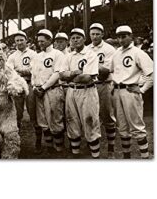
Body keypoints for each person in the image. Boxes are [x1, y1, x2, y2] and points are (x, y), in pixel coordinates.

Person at [111, 25, 153, 159]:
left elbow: (151, 74)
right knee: (122, 128)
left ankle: (145, 157)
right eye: (119, 37)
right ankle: (126, 158)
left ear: (131, 36)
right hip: (117, 91)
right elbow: (112, 71)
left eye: (124, 36)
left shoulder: (138, 52)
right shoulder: (116, 52)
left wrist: (141, 89)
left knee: (137, 127)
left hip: (131, 91)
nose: (121, 40)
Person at [60, 28, 101, 158]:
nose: (75, 40)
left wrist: (69, 75)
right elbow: (61, 75)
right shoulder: (68, 56)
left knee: (90, 121)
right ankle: (75, 155)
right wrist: (74, 73)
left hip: (87, 90)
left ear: (84, 39)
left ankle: (95, 156)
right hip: (71, 91)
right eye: (73, 38)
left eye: (78, 37)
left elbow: (87, 78)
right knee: (72, 122)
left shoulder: (90, 54)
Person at [7, 31, 42, 153]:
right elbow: (9, 71)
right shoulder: (12, 56)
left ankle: (38, 141)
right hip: (17, 86)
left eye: (21, 40)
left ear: (26, 40)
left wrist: (19, 71)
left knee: (33, 113)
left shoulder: (33, 54)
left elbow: (34, 70)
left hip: (30, 84)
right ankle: (16, 141)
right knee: (17, 114)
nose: (19, 42)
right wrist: (22, 71)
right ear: (14, 42)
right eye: (17, 40)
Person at [31, 29, 65, 153]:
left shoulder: (57, 54)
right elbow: (33, 74)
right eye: (39, 41)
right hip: (39, 91)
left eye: (43, 41)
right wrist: (35, 86)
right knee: (42, 120)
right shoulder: (37, 56)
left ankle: (59, 148)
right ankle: (50, 147)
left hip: (52, 89)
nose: (40, 43)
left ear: (50, 40)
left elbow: (58, 73)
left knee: (56, 118)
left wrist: (44, 87)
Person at [87, 23, 116, 158]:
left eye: (97, 34)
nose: (95, 36)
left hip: (104, 84)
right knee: (92, 116)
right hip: (91, 85)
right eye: (92, 34)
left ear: (102, 34)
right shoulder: (87, 48)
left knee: (107, 116)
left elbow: (105, 71)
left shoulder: (109, 49)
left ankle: (111, 147)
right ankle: (94, 145)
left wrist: (91, 64)